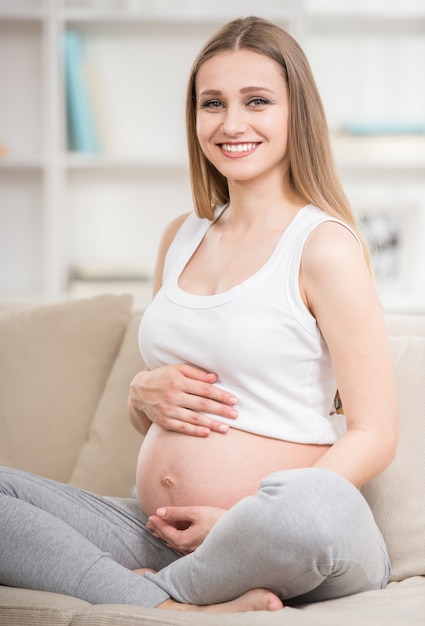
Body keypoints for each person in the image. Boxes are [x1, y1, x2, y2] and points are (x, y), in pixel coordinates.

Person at [0, 16, 397, 614]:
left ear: (296, 114)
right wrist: (141, 394)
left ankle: (142, 600)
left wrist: (240, 521)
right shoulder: (180, 237)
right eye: (212, 103)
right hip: (160, 531)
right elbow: (164, 413)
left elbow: (374, 434)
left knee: (313, 507)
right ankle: (178, 607)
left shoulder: (324, 247)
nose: (231, 123)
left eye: (256, 101)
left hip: (283, 533)